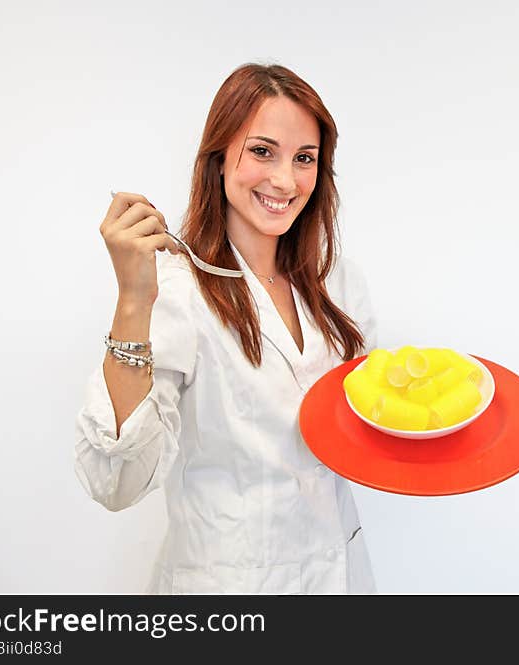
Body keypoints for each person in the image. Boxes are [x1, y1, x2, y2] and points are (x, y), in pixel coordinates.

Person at [74, 63, 378, 594]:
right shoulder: (176, 291)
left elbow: (364, 428)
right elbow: (116, 482)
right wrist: (133, 299)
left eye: (304, 159)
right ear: (218, 159)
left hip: (339, 578)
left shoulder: (337, 285)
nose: (285, 180)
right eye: (262, 151)